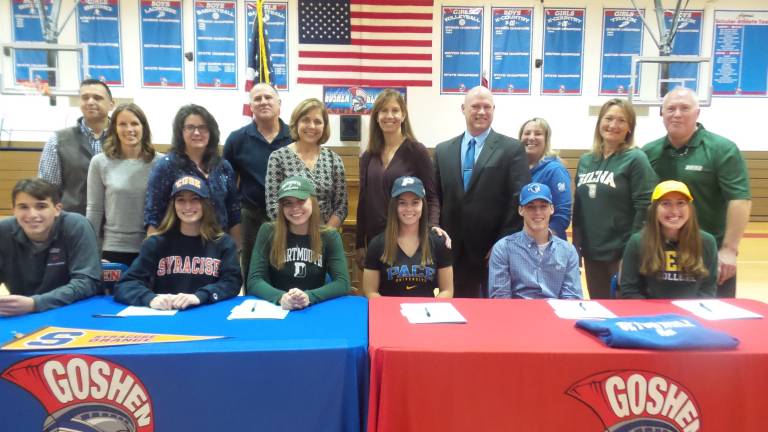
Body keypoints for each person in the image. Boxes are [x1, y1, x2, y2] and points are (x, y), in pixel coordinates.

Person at [643, 86, 751, 298]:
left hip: (709, 253)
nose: (677, 114)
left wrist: (729, 249)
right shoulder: (649, 152)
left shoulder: (722, 149)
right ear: (662, 113)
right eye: (670, 108)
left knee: (714, 320)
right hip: (661, 253)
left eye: (684, 108)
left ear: (697, 112)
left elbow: (739, 200)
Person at [434, 85, 530, 298]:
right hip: (452, 250)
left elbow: (518, 200)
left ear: (494, 109)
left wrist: (501, 243)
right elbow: (436, 198)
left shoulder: (511, 149)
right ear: (463, 109)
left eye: (487, 107)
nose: (481, 112)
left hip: (492, 250)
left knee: (491, 316)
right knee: (455, 311)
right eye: (475, 106)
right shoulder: (443, 150)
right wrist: (437, 237)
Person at [572, 98, 657, 299]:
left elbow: (645, 208)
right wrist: (576, 245)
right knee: (599, 307)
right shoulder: (586, 160)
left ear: (629, 128)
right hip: (592, 253)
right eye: (608, 118)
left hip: (620, 253)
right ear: (599, 122)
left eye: (621, 120)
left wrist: (631, 254)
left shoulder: (636, 159)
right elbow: (580, 207)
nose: (613, 125)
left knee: (622, 309)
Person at [115, 176, 241, 310]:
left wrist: (201, 296)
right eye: (181, 200)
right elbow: (126, 284)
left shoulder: (223, 243)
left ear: (205, 204)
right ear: (173, 205)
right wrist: (150, 298)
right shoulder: (156, 243)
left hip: (207, 316)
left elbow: (232, 282)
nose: (188, 206)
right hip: (167, 318)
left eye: (195, 199)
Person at [355, 89, 441, 268]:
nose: (389, 116)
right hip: (375, 239)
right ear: (376, 117)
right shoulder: (368, 156)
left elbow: (432, 197)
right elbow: (363, 201)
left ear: (403, 115)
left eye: (395, 110)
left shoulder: (417, 151)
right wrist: (359, 243)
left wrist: (431, 231)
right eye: (384, 111)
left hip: (408, 238)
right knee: (375, 293)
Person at [144, 104, 241, 248]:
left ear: (211, 132)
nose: (197, 132)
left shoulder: (223, 167)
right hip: (177, 249)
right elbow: (153, 214)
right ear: (180, 132)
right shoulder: (165, 166)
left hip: (219, 248)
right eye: (190, 127)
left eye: (203, 127)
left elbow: (233, 213)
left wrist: (236, 252)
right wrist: (151, 255)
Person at [0, 178, 101, 316]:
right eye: (23, 207)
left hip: (71, 312)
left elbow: (87, 282)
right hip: (21, 316)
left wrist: (36, 304)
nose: (32, 215)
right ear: (14, 210)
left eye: (41, 206)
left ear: (57, 209)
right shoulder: (3, 231)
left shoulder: (76, 225)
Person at [247, 176, 349, 310]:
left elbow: (343, 283)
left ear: (312, 201)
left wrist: (309, 297)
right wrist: (280, 297)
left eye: (301, 201)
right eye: (288, 203)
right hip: (278, 310)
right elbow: (254, 280)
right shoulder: (268, 231)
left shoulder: (330, 236)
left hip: (314, 309)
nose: (295, 208)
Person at [224, 83, 292, 278]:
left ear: (279, 104)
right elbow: (227, 185)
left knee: (285, 267)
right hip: (250, 217)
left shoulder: (294, 137)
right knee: (252, 268)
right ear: (251, 106)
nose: (263, 102)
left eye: (268, 98)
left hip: (289, 215)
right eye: (257, 99)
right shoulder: (236, 139)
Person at [86, 103, 162, 266]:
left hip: (152, 249)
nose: (129, 129)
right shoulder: (100, 162)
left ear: (144, 127)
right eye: (122, 124)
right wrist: (89, 250)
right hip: (113, 249)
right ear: (114, 128)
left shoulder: (161, 162)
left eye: (134, 123)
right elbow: (94, 209)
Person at [620, 181, 717, 299]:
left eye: (681, 203)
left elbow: (708, 291)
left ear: (690, 209)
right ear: (654, 209)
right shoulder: (638, 242)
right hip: (650, 314)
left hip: (691, 314)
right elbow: (630, 290)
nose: (674, 211)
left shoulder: (707, 242)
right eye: (666, 204)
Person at [362, 176, 453, 298]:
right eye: (402, 203)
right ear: (394, 206)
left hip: (427, 313)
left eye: (415, 202)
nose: (409, 209)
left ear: (423, 205)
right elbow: (370, 292)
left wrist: (429, 311)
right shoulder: (377, 244)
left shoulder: (438, 242)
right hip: (390, 314)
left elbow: (447, 290)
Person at [488, 183, 582, 299]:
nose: (537, 212)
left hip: (555, 315)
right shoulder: (503, 248)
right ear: (520, 210)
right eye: (530, 207)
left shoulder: (568, 251)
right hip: (517, 315)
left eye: (543, 206)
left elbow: (572, 297)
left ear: (552, 209)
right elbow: (500, 298)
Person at [265, 98, 348, 228]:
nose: (312, 126)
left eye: (318, 122)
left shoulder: (334, 160)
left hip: (326, 235)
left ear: (324, 127)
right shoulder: (278, 158)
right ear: (296, 123)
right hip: (289, 236)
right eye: (305, 120)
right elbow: (273, 206)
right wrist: (298, 234)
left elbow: (341, 206)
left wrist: (326, 234)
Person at [38, 79, 115, 214]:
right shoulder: (57, 141)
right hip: (72, 224)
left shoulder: (124, 139)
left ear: (111, 104)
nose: (90, 102)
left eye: (97, 98)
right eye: (85, 98)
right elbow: (46, 190)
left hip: (116, 224)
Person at [518, 118, 572, 240]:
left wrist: (541, 242)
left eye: (538, 133)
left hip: (548, 245)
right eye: (527, 133)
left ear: (546, 139)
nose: (531, 137)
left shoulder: (555, 170)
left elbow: (562, 216)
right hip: (521, 243)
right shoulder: (516, 168)